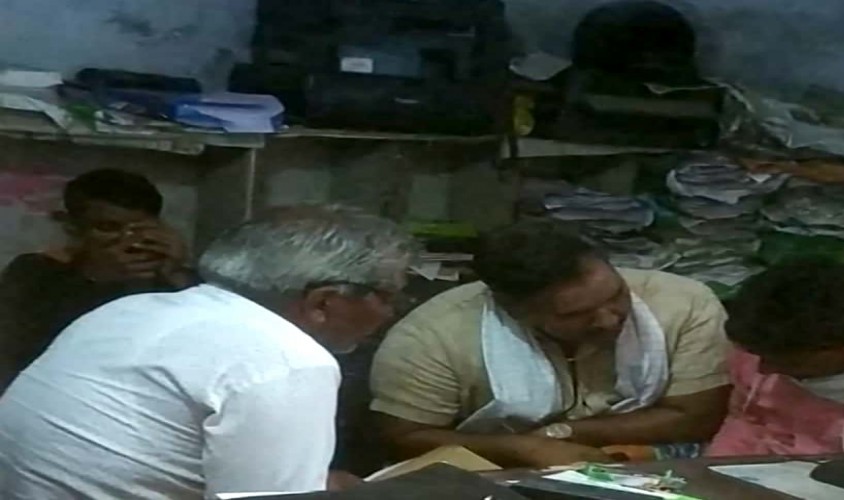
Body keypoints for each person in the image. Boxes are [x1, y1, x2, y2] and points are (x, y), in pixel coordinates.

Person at [0, 204, 416, 499]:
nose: (393, 312)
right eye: (389, 296)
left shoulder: (133, 308)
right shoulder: (286, 360)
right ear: (323, 302)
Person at [370, 220, 730, 468]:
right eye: (577, 314)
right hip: (494, 472)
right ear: (516, 310)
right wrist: (521, 449)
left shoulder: (683, 303)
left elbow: (695, 418)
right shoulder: (431, 336)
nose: (610, 319)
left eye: (616, 295)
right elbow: (404, 438)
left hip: (639, 467)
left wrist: (564, 434)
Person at [0, 169, 194, 387]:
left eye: (140, 229)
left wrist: (177, 273)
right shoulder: (35, 271)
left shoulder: (171, 279)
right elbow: (21, 349)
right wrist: (96, 279)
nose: (128, 240)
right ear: (73, 228)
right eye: (108, 228)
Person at [707, 260, 844, 456]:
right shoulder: (761, 341)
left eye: (791, 363)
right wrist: (711, 470)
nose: (763, 369)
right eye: (759, 357)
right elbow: (745, 424)